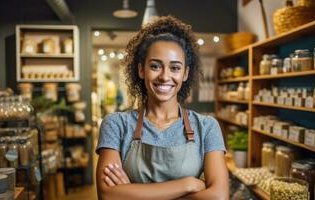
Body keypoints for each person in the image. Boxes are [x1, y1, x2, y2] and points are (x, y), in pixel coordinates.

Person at [96, 16, 229, 200]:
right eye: (155, 66)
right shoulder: (116, 125)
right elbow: (108, 195)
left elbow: (218, 196)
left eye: (175, 68)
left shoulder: (206, 127)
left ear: (185, 74)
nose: (165, 76)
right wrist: (188, 184)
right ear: (141, 70)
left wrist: (132, 193)